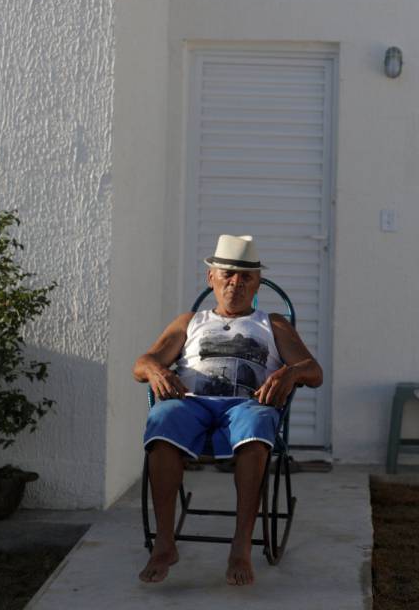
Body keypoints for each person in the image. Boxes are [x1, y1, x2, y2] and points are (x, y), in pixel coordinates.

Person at [134, 234, 322, 585]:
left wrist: (290, 372)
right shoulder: (189, 321)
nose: (235, 283)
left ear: (257, 284)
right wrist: (157, 370)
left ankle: (240, 545)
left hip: (247, 405)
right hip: (192, 404)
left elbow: (314, 371)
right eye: (227, 275)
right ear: (211, 278)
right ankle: (164, 543)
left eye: (245, 276)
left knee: (256, 430)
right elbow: (143, 362)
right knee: (162, 420)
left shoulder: (273, 323)